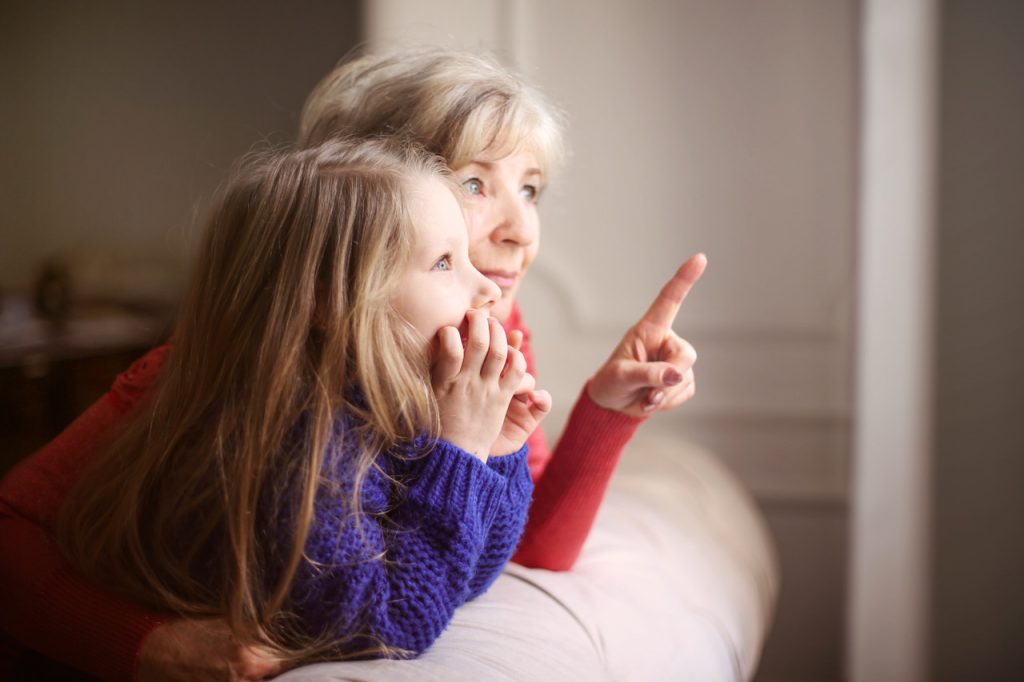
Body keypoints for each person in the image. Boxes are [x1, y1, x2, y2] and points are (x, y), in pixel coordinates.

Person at [0, 47, 704, 680]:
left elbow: (525, 546)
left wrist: (603, 412)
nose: (522, 232)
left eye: (530, 188)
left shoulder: (479, 330)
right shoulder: (242, 372)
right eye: (473, 183)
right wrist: (147, 645)